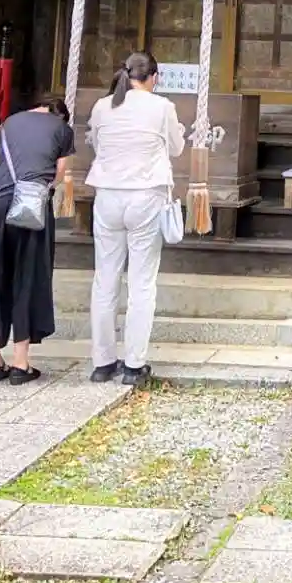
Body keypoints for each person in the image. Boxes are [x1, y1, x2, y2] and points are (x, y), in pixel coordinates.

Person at [86, 50, 185, 386]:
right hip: (145, 194)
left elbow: (96, 143)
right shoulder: (162, 107)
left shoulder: (103, 106)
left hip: (108, 194)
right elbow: (176, 148)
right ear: (154, 77)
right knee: (141, 281)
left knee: (105, 278)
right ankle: (133, 363)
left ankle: (102, 362)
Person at [0, 91, 73, 384]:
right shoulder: (62, 128)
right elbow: (59, 172)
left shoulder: (9, 123)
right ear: (59, 114)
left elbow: (3, 161)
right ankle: (20, 364)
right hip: (29, 205)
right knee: (26, 276)